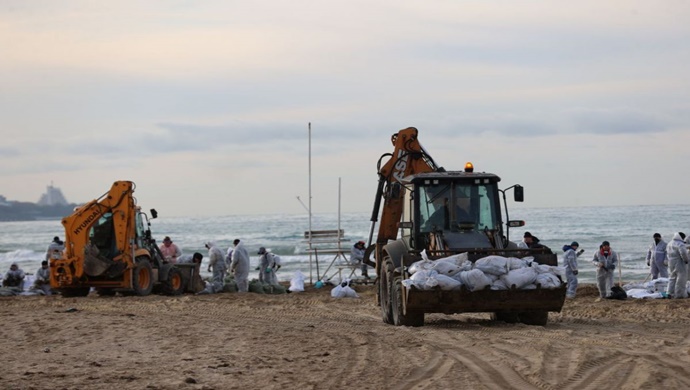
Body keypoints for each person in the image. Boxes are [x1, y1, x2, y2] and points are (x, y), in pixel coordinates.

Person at [666, 232, 689, 299]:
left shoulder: (669, 243)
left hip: (671, 263)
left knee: (672, 278)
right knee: (681, 279)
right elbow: (683, 253)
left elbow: (667, 253)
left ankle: (670, 293)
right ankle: (679, 295)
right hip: (679, 263)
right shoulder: (680, 244)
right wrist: (686, 260)